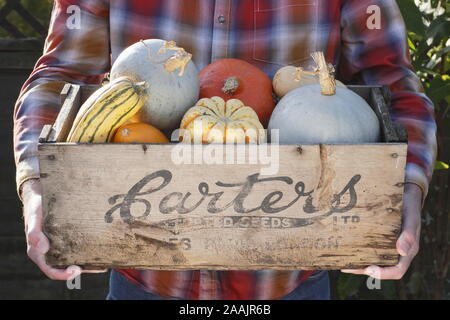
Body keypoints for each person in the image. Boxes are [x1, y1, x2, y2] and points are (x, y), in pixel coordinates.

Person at [14, 0, 437, 300]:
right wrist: (37, 180)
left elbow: (392, 86)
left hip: (290, 276)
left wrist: (408, 187)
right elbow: (60, 77)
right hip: (143, 275)